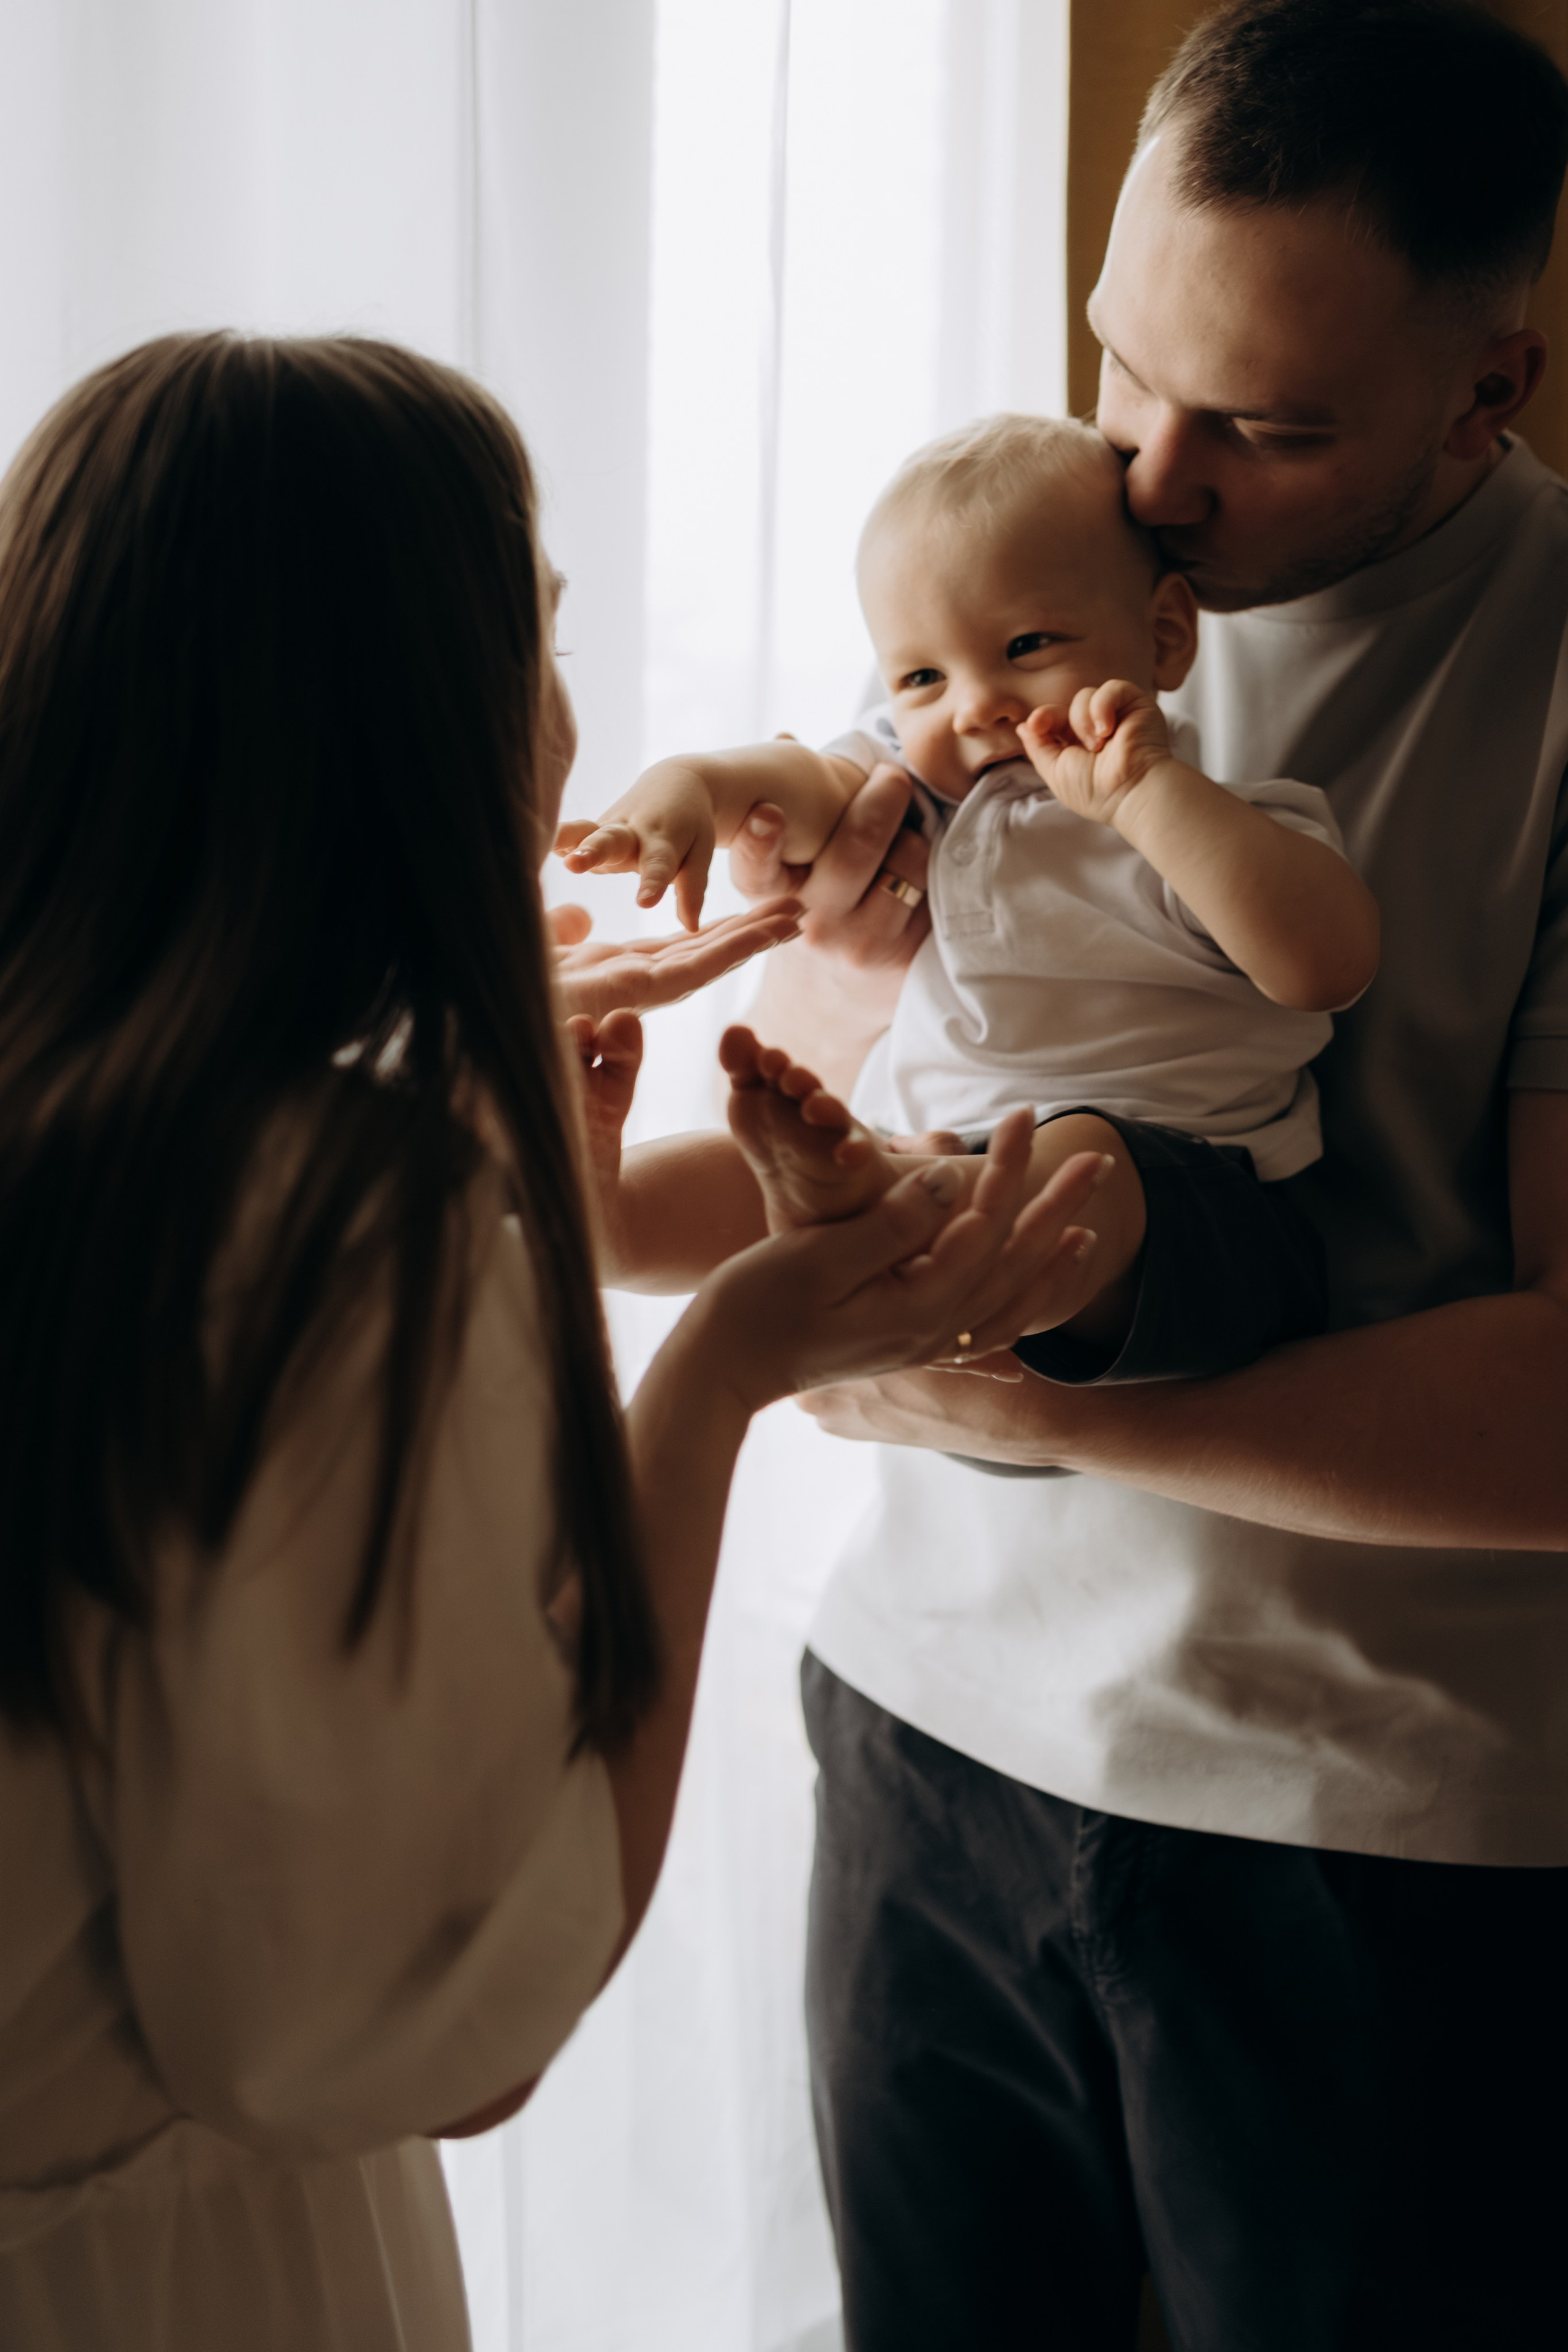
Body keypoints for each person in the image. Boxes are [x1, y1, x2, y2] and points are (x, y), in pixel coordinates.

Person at [0, 333, 1102, 2351]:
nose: (573, 716)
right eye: (540, 632)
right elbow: (415, 2032)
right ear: (402, 712)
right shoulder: (336, 1224)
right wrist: (719, 1376)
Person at [720, 3, 1568, 2346]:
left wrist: (1059, 1413)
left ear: (1487, 391)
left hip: (1369, 1844)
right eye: (1123, 370)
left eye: (1267, 428)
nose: (1159, 489)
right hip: (926, 1729)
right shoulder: (1025, 575)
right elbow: (868, 1072)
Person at [560, 413, 1378, 1383]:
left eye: (1027, 645)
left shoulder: (1214, 823)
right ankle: (608, 1226)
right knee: (739, 1171)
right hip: (939, 1177)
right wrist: (695, 784)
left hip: (1195, 1222)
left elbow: (1324, 969)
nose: (973, 704)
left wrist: (1146, 797)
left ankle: (905, 1217)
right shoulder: (932, 797)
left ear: (1162, 637)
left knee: (1084, 1159)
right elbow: (804, 781)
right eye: (921, 676)